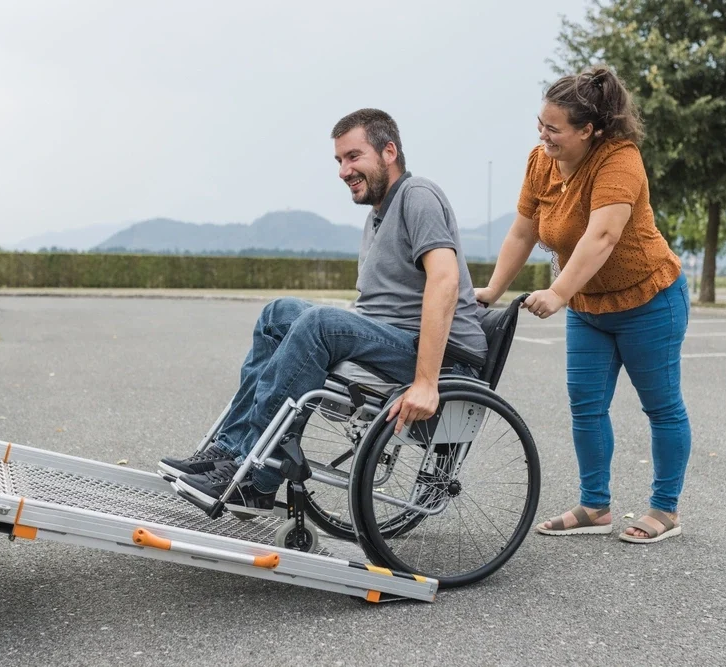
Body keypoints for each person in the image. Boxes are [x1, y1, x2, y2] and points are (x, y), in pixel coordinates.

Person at [160, 108, 486, 515]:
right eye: (339, 161)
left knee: (320, 323)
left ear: (389, 152)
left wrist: (425, 383)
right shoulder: (376, 216)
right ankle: (228, 449)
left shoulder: (417, 195)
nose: (343, 171)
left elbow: (445, 280)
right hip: (389, 338)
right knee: (278, 313)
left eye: (353, 156)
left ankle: (255, 475)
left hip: (441, 358)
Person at [475, 67, 691, 544]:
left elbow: (604, 235)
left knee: (661, 407)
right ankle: (595, 506)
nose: (543, 134)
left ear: (588, 130)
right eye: (540, 123)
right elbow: (523, 230)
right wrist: (491, 290)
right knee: (586, 406)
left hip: (649, 299)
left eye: (554, 128)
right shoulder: (540, 162)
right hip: (590, 309)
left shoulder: (620, 159)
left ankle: (665, 509)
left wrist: (557, 292)